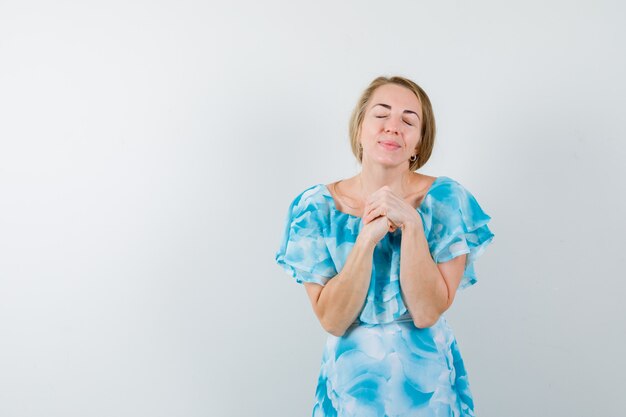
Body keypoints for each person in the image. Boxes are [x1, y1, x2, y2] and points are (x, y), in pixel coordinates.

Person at [274, 75, 495, 417]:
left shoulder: (447, 201)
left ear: (419, 143)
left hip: (427, 391)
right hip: (350, 392)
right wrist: (365, 240)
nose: (393, 127)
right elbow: (333, 319)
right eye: (381, 115)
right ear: (360, 130)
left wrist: (412, 224)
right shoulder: (315, 208)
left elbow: (426, 311)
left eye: (408, 121)